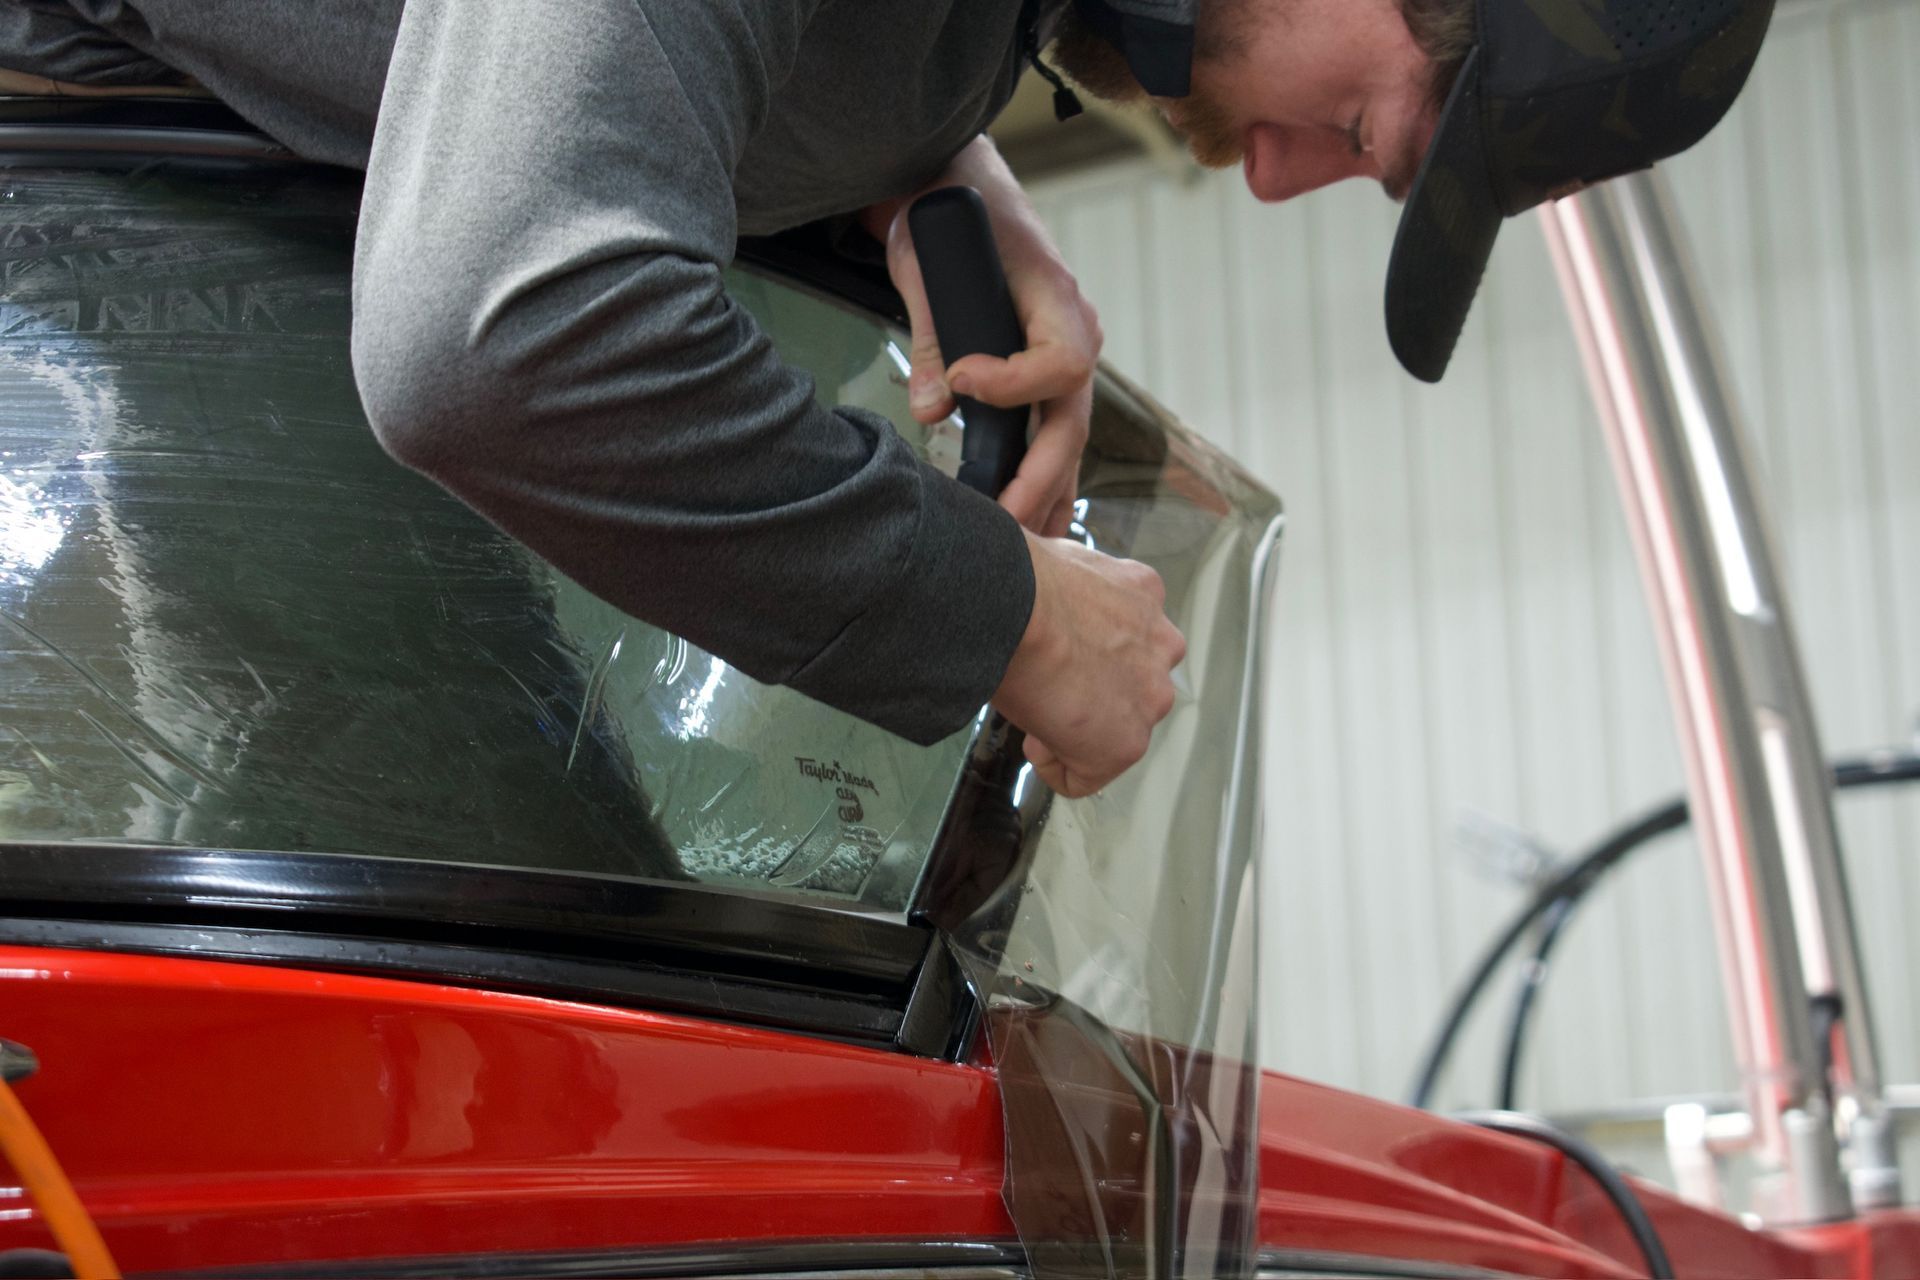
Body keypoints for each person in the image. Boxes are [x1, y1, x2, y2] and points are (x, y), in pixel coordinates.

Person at [0, 0, 1771, 800]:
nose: (1280, 179)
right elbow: (498, 330)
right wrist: (1005, 617)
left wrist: (924, 173)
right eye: (1375, 127)